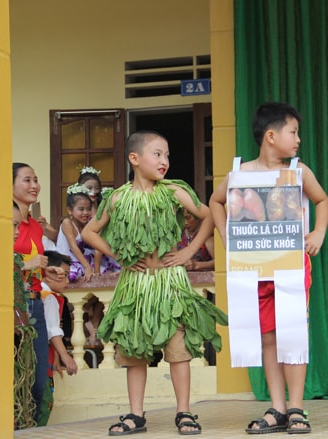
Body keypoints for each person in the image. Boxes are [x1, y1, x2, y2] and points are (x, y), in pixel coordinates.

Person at [82, 130, 228, 436]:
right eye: (157, 154)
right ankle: (136, 414)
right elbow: (89, 233)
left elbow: (209, 214)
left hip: (170, 283)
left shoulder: (173, 191)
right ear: (135, 159)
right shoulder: (118, 198)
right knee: (134, 351)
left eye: (167, 155)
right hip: (135, 285)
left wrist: (189, 250)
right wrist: (118, 255)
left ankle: (184, 412)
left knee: (179, 349)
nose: (165, 161)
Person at [209, 102, 328, 434]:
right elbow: (215, 202)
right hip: (253, 269)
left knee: (292, 332)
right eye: (294, 132)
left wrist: (318, 231)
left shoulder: (298, 171)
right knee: (267, 336)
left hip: (290, 267)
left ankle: (297, 407)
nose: (298, 140)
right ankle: (277, 407)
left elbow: (322, 200)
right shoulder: (239, 173)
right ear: (271, 135)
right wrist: (225, 235)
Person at [13, 162, 67, 423]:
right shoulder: (3, 222)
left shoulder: (35, 226)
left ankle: (31, 428)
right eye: (26, 180)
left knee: (38, 378)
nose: (34, 185)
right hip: (13, 304)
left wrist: (47, 273)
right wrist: (26, 264)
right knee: (14, 372)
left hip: (34, 303)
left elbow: (35, 264)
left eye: (36, 180)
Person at [38, 250, 78, 426]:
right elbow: (52, 330)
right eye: (64, 276)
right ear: (49, 274)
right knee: (43, 403)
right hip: (42, 359)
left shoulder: (40, 293)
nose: (67, 282)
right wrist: (65, 356)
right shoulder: (50, 298)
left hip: (44, 357)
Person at [13, 201, 37, 430]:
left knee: (23, 388)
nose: (16, 232)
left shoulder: (14, 260)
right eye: (11, 226)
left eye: (17, 226)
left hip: (19, 334)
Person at [77, 166, 121, 275]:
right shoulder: (77, 212)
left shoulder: (103, 209)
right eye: (89, 188)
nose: (93, 192)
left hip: (104, 253)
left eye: (96, 188)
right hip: (85, 257)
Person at [56, 183, 95, 282]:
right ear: (69, 210)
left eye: (89, 209)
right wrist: (87, 267)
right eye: (81, 209)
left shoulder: (86, 225)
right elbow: (73, 247)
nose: (86, 213)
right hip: (66, 263)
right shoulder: (67, 223)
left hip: (81, 262)